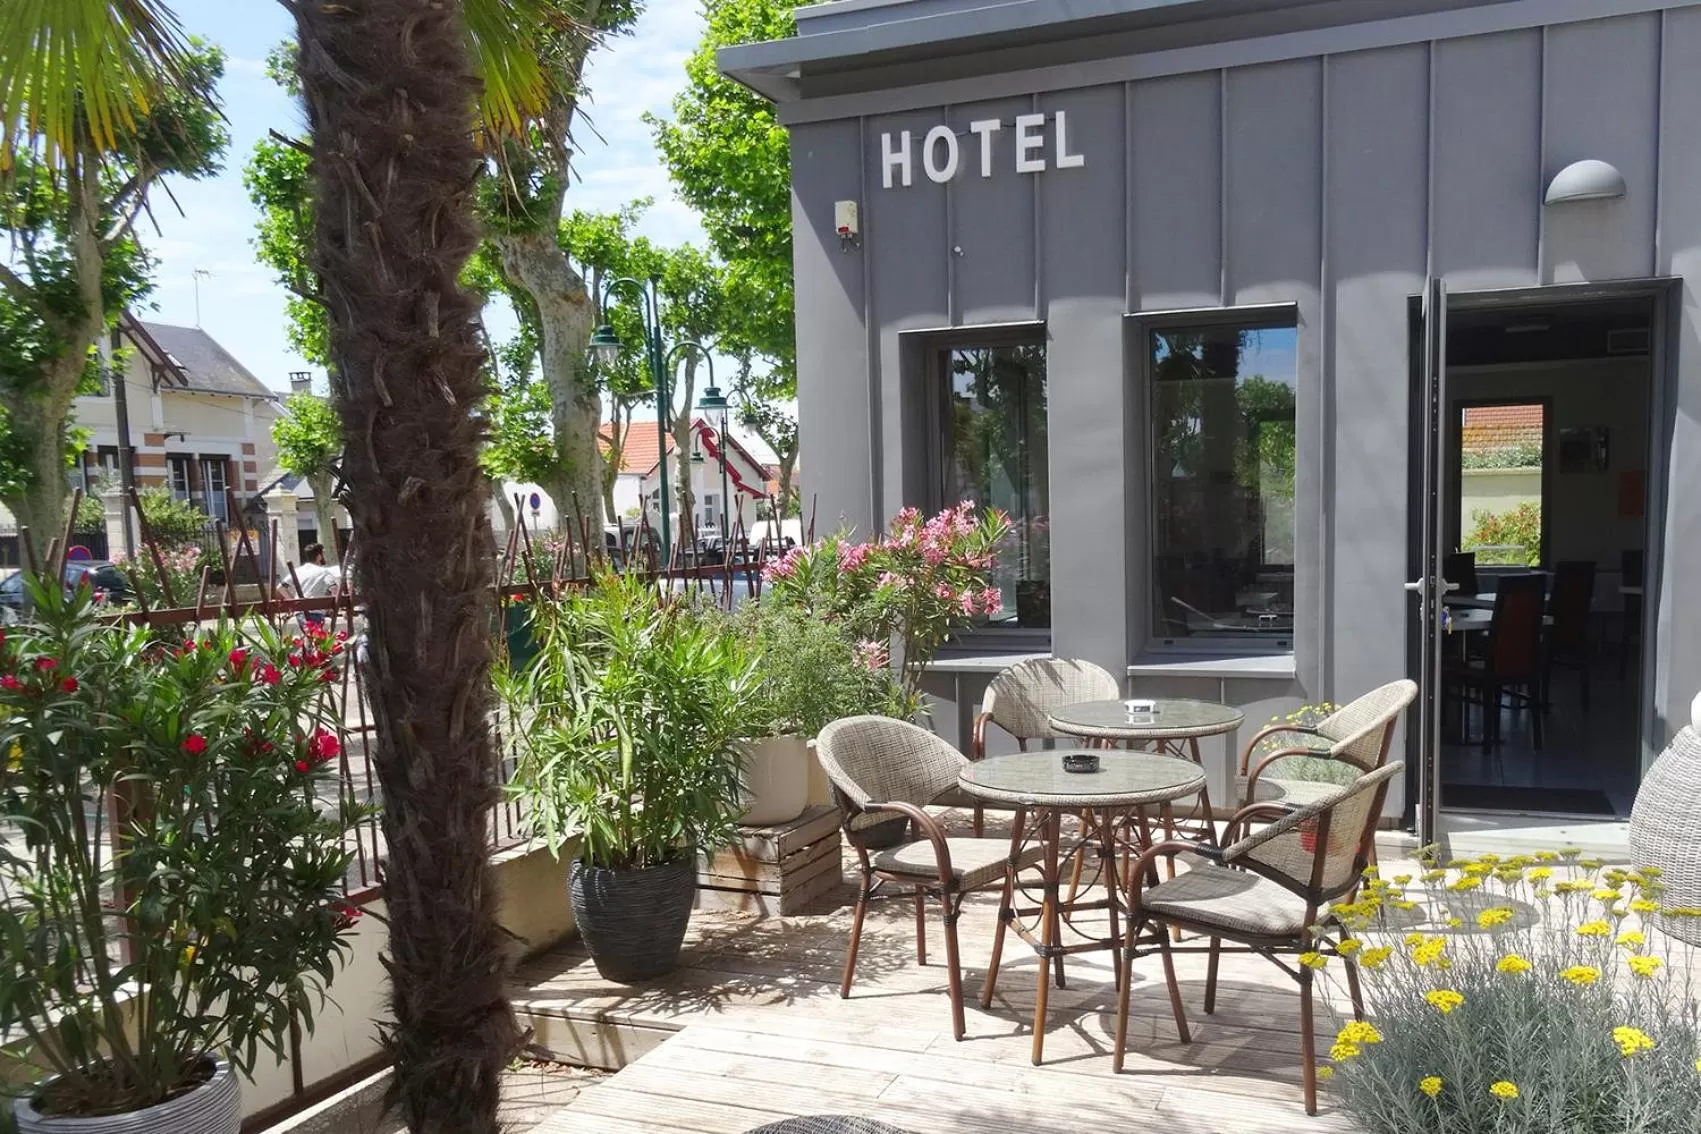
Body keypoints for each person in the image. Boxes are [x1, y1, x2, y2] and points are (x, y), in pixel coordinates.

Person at [279, 542, 343, 631]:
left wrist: (293, 602)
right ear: (319, 556)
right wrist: (330, 608)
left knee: (310, 637)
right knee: (316, 639)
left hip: (300, 611)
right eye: (323, 553)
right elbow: (334, 588)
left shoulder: (298, 571)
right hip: (316, 610)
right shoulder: (323, 572)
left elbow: (281, 587)